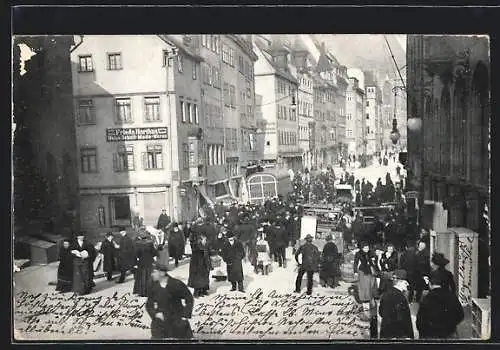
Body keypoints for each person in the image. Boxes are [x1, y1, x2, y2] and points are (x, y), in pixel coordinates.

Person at [146, 267, 194, 339]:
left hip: (178, 320)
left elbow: (189, 299)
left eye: (154, 272)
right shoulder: (154, 287)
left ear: (162, 273)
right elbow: (149, 305)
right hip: (161, 322)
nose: (152, 274)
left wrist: (185, 315)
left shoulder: (177, 284)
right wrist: (155, 314)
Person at [416, 269, 464, 339]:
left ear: (430, 284)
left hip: (431, 335)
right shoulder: (451, 296)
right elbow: (460, 315)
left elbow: (420, 321)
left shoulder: (427, 298)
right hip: (448, 333)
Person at [379, 269, 414, 339]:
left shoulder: (386, 294)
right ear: (400, 282)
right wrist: (408, 336)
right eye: (405, 282)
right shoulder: (401, 297)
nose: (407, 284)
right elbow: (403, 319)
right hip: (398, 336)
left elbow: (381, 312)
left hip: (385, 333)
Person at [353, 241, 377, 320]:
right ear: (362, 248)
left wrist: (374, 260)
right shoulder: (358, 254)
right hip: (362, 272)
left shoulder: (370, 253)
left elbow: (374, 263)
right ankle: (365, 307)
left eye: (367, 247)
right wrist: (355, 272)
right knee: (363, 289)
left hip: (369, 273)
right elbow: (355, 263)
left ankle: (369, 304)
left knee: (369, 288)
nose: (367, 249)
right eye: (365, 248)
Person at [134, 232, 157, 297]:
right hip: (149, 261)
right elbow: (154, 253)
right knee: (149, 276)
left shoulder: (138, 244)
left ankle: (141, 292)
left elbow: (136, 254)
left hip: (141, 262)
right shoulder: (150, 243)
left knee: (141, 277)